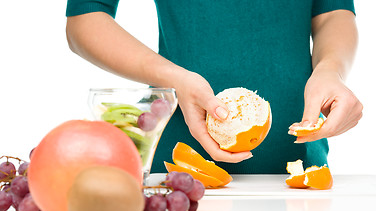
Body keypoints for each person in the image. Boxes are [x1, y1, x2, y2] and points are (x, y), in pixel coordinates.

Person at [65, 0, 363, 174]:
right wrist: (172, 77)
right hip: (181, 170)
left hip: (298, 171)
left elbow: (334, 13)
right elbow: (85, 20)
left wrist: (330, 70)